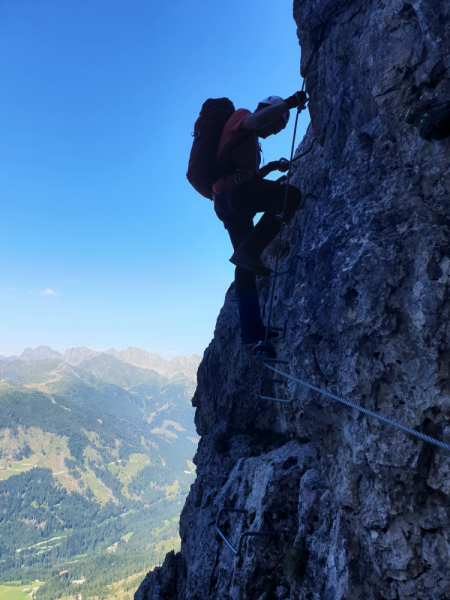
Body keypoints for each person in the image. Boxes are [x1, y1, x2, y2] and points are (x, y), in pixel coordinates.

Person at [212, 92, 307, 344]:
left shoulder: (249, 141)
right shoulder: (243, 116)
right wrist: (289, 104)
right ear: (267, 108)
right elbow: (256, 121)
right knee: (291, 196)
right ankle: (248, 252)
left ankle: (251, 329)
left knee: (245, 267)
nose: (275, 131)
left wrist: (271, 168)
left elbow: (245, 176)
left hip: (228, 200)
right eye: (277, 124)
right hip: (235, 195)